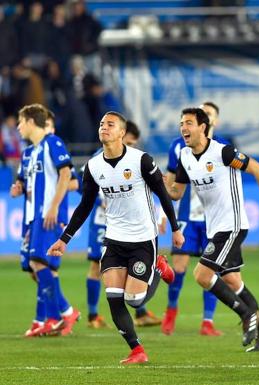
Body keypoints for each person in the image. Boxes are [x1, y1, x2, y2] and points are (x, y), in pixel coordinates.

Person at [47, 111, 181, 364]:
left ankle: (159, 267)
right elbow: (85, 205)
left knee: (134, 299)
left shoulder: (141, 160)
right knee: (113, 295)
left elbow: (162, 194)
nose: (104, 127)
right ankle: (137, 350)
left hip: (143, 238)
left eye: (110, 124)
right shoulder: (93, 166)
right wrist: (64, 239)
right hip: (114, 239)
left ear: (122, 132)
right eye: (101, 124)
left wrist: (175, 228)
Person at [166, 107, 259, 351]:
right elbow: (176, 191)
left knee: (201, 275)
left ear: (203, 127)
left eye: (188, 123)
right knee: (232, 280)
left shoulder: (224, 152)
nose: (183, 128)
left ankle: (246, 314)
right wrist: (155, 184)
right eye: (181, 124)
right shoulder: (184, 156)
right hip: (215, 228)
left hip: (233, 226)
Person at [83, 120, 161, 329]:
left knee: (132, 267)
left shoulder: (136, 160)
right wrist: (99, 200)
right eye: (131, 142)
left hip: (132, 228)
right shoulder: (96, 161)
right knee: (96, 266)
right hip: (103, 222)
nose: (133, 146)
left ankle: (140, 310)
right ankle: (93, 315)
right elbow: (78, 185)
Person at [13, 104, 79, 337]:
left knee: (40, 264)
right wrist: (18, 187)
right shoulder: (29, 153)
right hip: (32, 218)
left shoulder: (53, 143)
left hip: (47, 216)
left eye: (21, 122)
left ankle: (59, 314)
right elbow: (24, 181)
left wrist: (53, 207)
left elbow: (66, 174)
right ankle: (59, 315)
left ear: (31, 122)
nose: (18, 127)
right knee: (35, 267)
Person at [160, 101, 225, 336]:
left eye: (209, 114)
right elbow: (169, 185)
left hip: (213, 218)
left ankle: (207, 322)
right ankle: (171, 311)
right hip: (186, 216)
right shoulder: (178, 147)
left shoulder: (223, 148)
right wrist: (162, 213)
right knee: (179, 267)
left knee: (211, 270)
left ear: (213, 121)